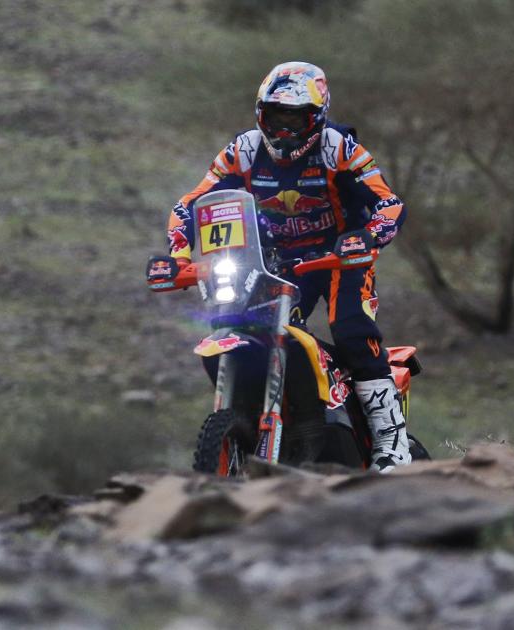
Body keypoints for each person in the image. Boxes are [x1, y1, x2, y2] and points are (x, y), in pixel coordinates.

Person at [165, 61, 410, 472]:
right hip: (274, 263)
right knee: (246, 325)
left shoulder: (339, 148)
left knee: (351, 330)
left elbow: (390, 203)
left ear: (316, 117)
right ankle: (287, 416)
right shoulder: (242, 152)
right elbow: (190, 205)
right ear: (262, 114)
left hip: (339, 257)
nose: (284, 131)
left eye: (295, 119)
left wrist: (369, 236)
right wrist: (179, 257)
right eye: (276, 117)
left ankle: (391, 443)